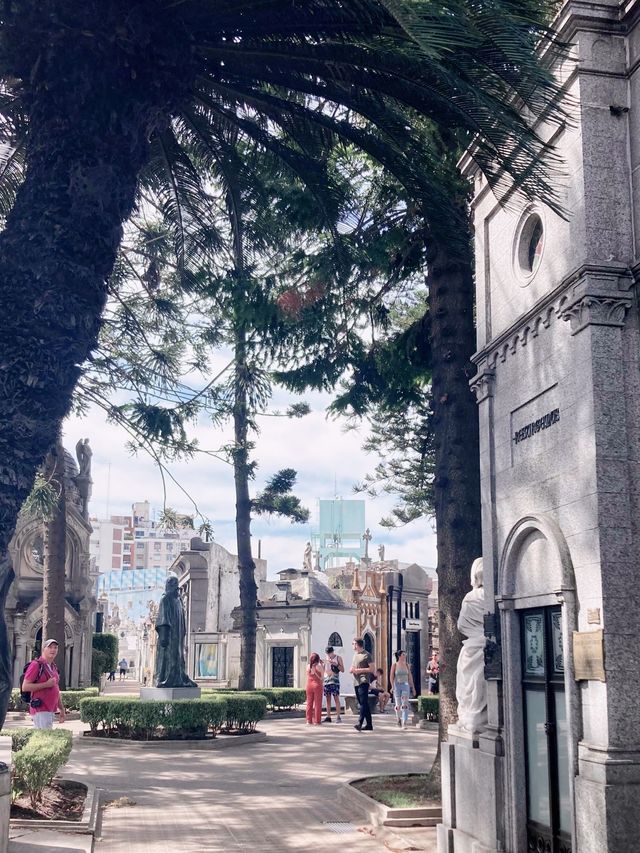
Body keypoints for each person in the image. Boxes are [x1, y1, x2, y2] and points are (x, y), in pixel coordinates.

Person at [154, 573, 197, 688]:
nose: (176, 590)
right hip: (168, 635)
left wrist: (182, 632)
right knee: (167, 658)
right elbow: (163, 618)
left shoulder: (178, 600)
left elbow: (182, 618)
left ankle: (179, 677)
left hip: (178, 635)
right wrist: (164, 636)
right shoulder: (165, 599)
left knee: (178, 657)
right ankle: (165, 679)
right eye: (174, 586)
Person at [21, 639, 65, 730]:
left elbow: (55, 688)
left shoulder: (54, 667)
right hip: (40, 709)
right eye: (50, 647)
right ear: (43, 649)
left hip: (50, 709)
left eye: (55, 648)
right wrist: (46, 684)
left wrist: (61, 708)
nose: (53, 650)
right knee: (45, 738)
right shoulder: (36, 665)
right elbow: (25, 687)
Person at [350, 637, 375, 732]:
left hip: (363, 681)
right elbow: (353, 666)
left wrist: (358, 670)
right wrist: (351, 669)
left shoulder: (367, 655)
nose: (352, 645)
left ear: (357, 644)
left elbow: (372, 669)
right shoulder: (355, 655)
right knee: (363, 703)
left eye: (353, 644)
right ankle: (369, 725)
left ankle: (360, 723)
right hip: (356, 682)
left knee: (363, 703)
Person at [390, 649, 416, 729]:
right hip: (397, 685)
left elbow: (410, 676)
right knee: (398, 704)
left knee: (405, 703)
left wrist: (413, 688)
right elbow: (391, 676)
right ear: (399, 656)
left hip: (405, 685)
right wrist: (392, 686)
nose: (405, 656)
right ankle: (398, 719)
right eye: (403, 655)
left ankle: (404, 722)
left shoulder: (407, 665)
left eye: (405, 654)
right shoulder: (395, 665)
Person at [323, 645, 344, 723]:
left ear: (333, 652)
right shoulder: (326, 658)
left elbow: (342, 669)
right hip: (326, 681)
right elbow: (323, 669)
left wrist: (336, 664)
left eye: (330, 653)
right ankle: (328, 716)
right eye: (327, 653)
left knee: (336, 698)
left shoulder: (338, 658)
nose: (329, 655)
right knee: (328, 699)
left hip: (334, 681)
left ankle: (338, 717)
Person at [305, 652, 324, 725]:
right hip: (317, 685)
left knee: (309, 703)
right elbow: (322, 677)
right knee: (317, 703)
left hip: (309, 685)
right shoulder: (319, 666)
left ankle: (308, 720)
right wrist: (322, 665)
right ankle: (317, 721)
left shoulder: (308, 666)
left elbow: (308, 675)